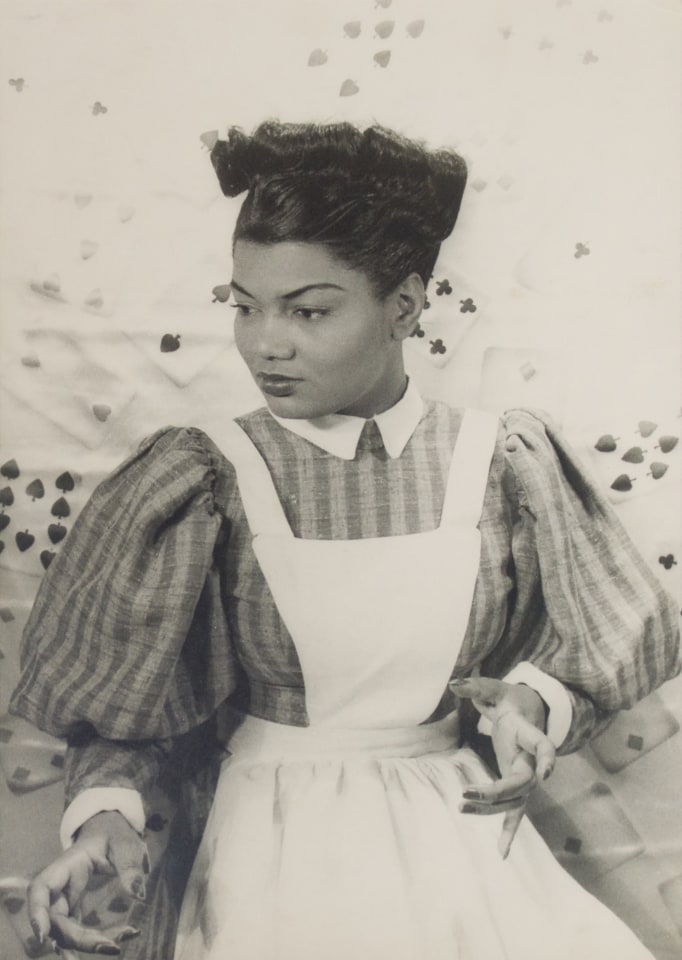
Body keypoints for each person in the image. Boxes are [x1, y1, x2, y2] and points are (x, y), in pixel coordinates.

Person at [9, 120, 679, 960]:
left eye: (308, 310)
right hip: (272, 848)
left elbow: (608, 640)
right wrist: (105, 823)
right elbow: (128, 717)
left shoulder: (501, 461)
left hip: (463, 844)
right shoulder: (205, 477)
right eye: (244, 307)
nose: (266, 343)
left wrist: (530, 705)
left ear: (403, 304)